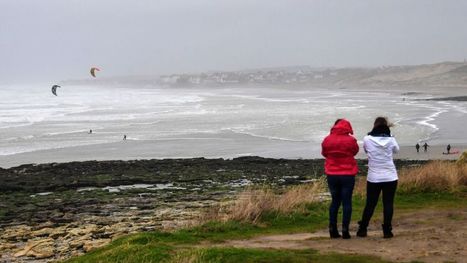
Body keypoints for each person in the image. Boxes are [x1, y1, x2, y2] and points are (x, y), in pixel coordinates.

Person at [357, 117, 399, 238]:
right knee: (388, 203)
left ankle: (363, 229)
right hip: (390, 176)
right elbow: (396, 150)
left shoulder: (367, 139)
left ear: (374, 126)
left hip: (374, 177)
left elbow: (366, 150)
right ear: (386, 127)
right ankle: (387, 230)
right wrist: (390, 136)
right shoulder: (391, 139)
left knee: (370, 203)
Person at [321, 119, 359, 239]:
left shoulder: (327, 139)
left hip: (332, 173)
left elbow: (324, 153)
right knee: (347, 202)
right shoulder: (351, 140)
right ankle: (345, 230)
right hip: (347, 174)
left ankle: (332, 229)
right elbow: (355, 151)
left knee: (335, 201)